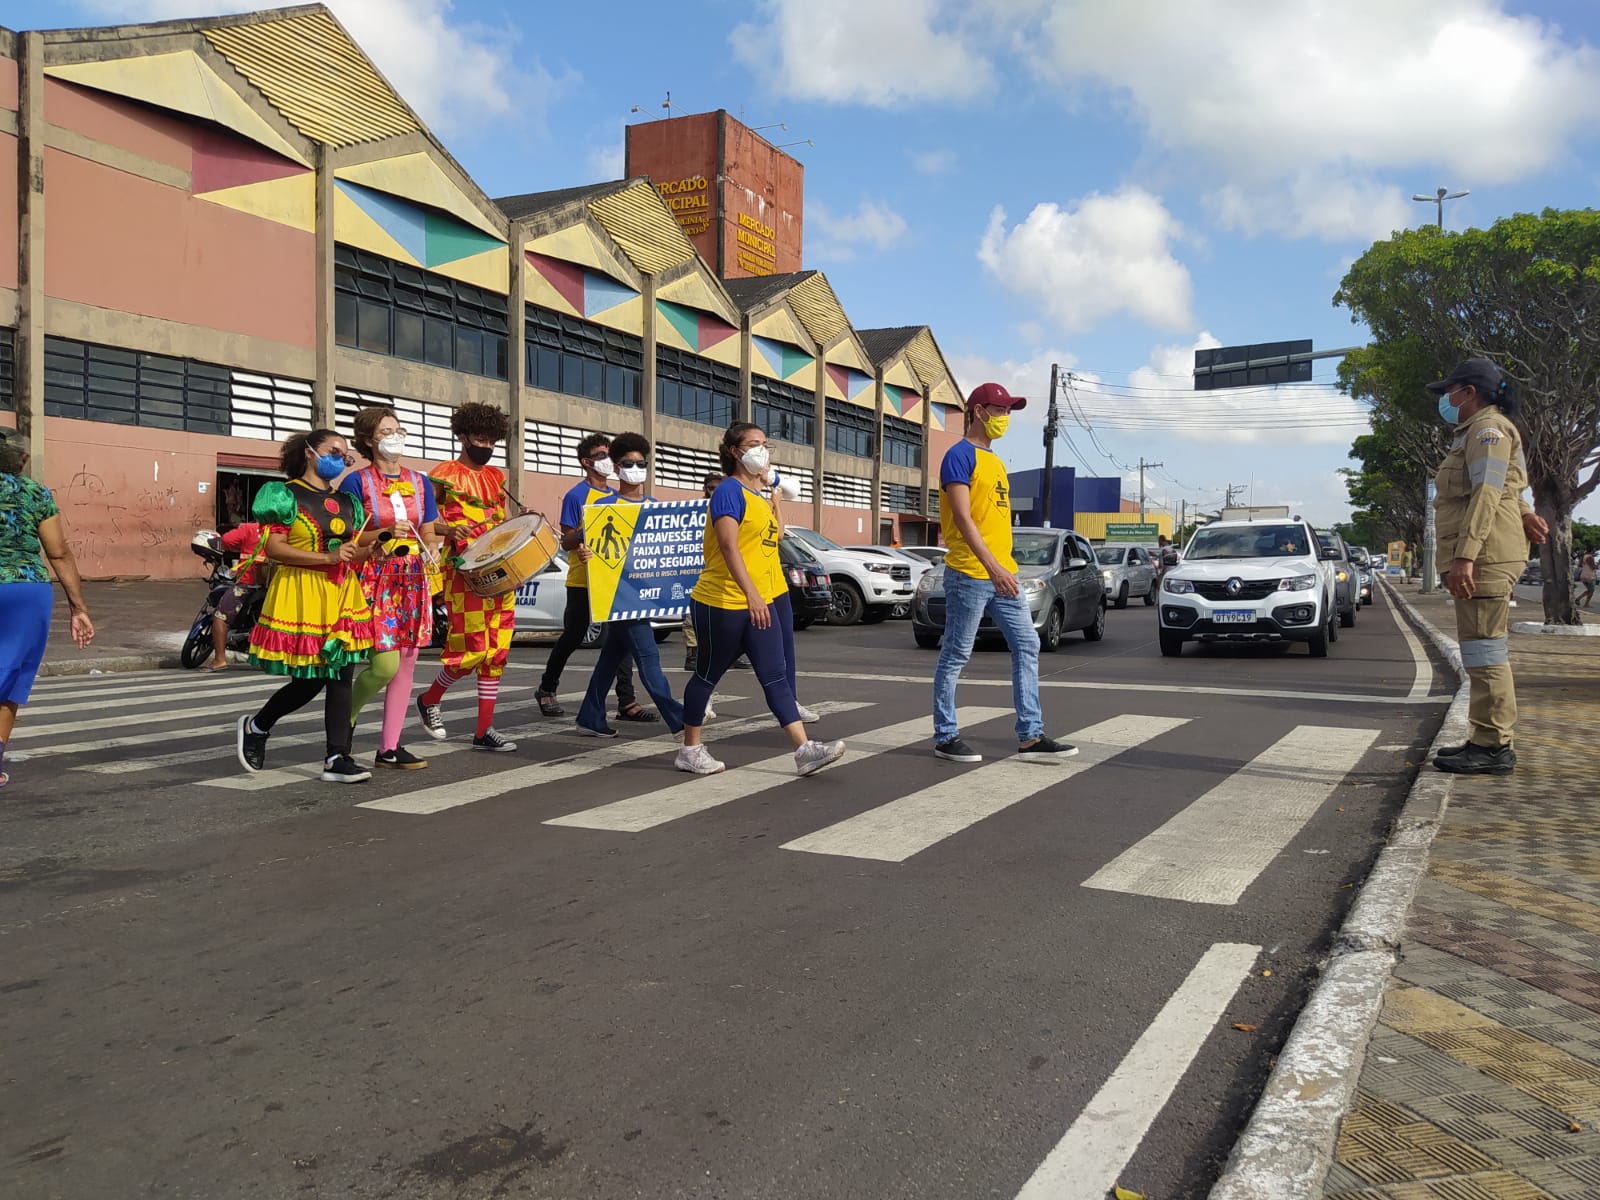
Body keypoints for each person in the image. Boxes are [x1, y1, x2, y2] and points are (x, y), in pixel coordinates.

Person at [677, 421, 844, 777]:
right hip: (722, 601)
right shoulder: (728, 491)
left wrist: (776, 501)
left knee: (775, 675)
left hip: (759, 602)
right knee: (707, 675)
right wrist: (751, 594)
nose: (762, 450)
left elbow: (773, 539)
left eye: (765, 444)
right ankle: (690, 749)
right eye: (753, 444)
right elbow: (728, 546)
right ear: (734, 452)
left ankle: (804, 750)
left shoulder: (758, 497)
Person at [932, 382, 1077, 764]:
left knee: (1027, 645)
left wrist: (1004, 568)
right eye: (1000, 411)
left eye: (1009, 412)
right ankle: (945, 736)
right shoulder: (958, 456)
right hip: (969, 573)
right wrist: (992, 567)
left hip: (1004, 576)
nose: (1005, 418)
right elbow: (963, 518)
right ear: (979, 412)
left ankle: (1030, 736)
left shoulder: (995, 462)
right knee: (956, 654)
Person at [1427, 358, 1549, 775]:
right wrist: (1526, 513)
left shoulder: (1487, 431)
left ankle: (1494, 747)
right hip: (1488, 551)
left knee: (1485, 650)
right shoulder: (1481, 431)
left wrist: (1465, 555)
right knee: (1480, 650)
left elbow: (1486, 493)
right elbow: (1509, 486)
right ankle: (1484, 738)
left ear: (1469, 392)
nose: (1446, 399)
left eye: (1450, 391)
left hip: (1485, 556)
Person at [235, 429, 377, 784]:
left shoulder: (348, 501)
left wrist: (374, 549)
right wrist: (327, 557)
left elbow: (352, 552)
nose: (341, 459)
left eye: (345, 455)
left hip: (341, 592)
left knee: (342, 673)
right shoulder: (284, 494)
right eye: (334, 451)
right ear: (310, 453)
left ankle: (336, 757)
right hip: (302, 591)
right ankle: (257, 725)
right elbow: (274, 548)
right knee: (308, 681)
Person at [415, 403, 519, 752]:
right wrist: (448, 529)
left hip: (498, 570)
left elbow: (504, 521)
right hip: (462, 571)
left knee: (497, 650)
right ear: (462, 436)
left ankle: (484, 730)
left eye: (491, 441)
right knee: (471, 648)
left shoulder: (496, 478)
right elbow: (423, 521)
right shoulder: (442, 474)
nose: (486, 446)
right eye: (479, 439)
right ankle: (430, 698)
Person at [341, 405, 440, 769]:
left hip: (413, 575)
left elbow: (427, 526)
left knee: (407, 662)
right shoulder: (356, 482)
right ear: (368, 440)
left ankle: (390, 747)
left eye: (398, 430)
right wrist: (382, 533)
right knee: (384, 664)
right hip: (375, 574)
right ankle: (345, 721)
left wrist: (432, 546)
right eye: (385, 432)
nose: (394, 437)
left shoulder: (420, 482)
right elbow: (347, 535)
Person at [574, 433, 686, 739]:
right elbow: (582, 543)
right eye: (628, 463)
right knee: (649, 658)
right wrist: (585, 552)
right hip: (618, 596)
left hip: (644, 597)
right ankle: (680, 720)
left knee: (611, 658)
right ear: (616, 467)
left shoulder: (656, 508)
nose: (635, 468)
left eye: (641, 463)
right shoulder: (602, 507)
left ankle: (590, 716)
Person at [0, 434, 95, 788]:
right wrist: (78, 608)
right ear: (21, 460)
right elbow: (58, 552)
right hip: (26, 591)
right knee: (10, 676)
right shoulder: (34, 493)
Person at [534, 433, 649, 721]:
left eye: (610, 455)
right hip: (583, 580)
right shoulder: (576, 496)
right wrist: (585, 533)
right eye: (602, 456)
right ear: (586, 462)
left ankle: (626, 701)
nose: (608, 460)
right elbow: (566, 541)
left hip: (615, 580)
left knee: (620, 638)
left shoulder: (617, 495)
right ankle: (547, 687)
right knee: (573, 636)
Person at [204, 519, 265, 672]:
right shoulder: (283, 531)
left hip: (248, 583)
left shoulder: (250, 528)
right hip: (274, 585)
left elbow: (226, 541)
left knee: (220, 616)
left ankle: (219, 659)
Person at [682, 471, 723, 671]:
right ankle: (693, 654)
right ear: (705, 489)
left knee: (724, 615)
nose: (714, 492)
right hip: (694, 567)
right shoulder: (695, 510)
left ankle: (727, 653)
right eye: (711, 488)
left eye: (718, 488)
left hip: (717, 568)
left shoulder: (726, 507)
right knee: (691, 616)